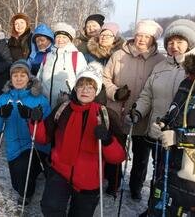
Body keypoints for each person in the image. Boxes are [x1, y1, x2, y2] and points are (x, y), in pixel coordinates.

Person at [147, 27, 195, 217]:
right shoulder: (189, 80)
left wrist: (179, 136)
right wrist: (163, 124)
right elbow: (175, 113)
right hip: (172, 170)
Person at [32, 64, 126, 216]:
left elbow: (119, 157)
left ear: (97, 91)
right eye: (81, 86)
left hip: (89, 179)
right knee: (51, 207)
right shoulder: (62, 109)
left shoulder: (107, 115)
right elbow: (43, 138)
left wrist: (108, 141)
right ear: (75, 88)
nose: (85, 90)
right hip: (60, 171)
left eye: (90, 87)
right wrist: (34, 122)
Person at [131, 19, 195, 216]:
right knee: (159, 173)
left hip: (182, 137)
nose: (174, 46)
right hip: (157, 131)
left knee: (180, 177)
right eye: (170, 41)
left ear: (190, 43)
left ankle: (174, 210)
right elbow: (147, 95)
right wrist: (138, 111)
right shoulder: (160, 66)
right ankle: (155, 207)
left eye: (180, 41)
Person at [102, 19, 165, 200]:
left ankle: (136, 186)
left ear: (153, 39)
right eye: (139, 35)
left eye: (147, 36)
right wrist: (115, 92)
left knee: (141, 155)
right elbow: (104, 78)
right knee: (115, 150)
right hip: (117, 111)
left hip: (143, 116)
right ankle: (113, 183)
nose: (142, 39)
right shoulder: (118, 55)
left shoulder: (160, 60)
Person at [0, 60, 51, 205]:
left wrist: (33, 116)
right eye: (15, 75)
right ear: (11, 78)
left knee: (24, 174)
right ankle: (25, 186)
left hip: (35, 145)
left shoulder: (39, 99)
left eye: (23, 75)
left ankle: (27, 191)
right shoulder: (4, 98)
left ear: (29, 78)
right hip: (14, 146)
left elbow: (48, 130)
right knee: (17, 182)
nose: (19, 78)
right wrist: (0, 114)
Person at [37, 22, 87, 108]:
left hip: (66, 104)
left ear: (70, 40)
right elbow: (39, 77)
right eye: (58, 36)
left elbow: (83, 80)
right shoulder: (48, 55)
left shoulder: (77, 56)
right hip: (44, 103)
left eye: (64, 37)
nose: (60, 40)